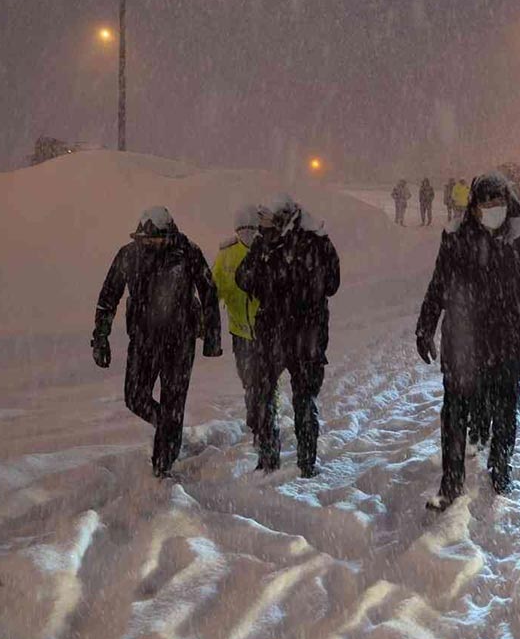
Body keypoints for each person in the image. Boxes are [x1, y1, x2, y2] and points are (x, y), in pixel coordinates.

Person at [416, 172, 520, 511]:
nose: (492, 209)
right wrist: (425, 326)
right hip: (462, 340)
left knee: (505, 411)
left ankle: (500, 470)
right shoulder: (455, 237)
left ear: (508, 205)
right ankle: (450, 483)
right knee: (454, 413)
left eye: (498, 203)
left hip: (507, 341)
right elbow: (439, 285)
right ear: (474, 207)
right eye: (485, 203)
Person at [91, 206, 222, 478]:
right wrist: (100, 338)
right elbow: (108, 298)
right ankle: (169, 427)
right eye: (147, 239)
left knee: (174, 400)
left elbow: (209, 293)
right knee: (135, 397)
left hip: (180, 342)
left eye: (157, 239)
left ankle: (163, 468)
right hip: (143, 341)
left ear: (169, 233)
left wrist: (212, 337)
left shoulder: (188, 252)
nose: (152, 244)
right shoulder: (128, 255)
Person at [235, 195, 340, 477]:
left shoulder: (269, 244)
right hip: (306, 335)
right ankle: (306, 463)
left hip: (276, 332)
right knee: (303, 398)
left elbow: (243, 279)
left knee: (264, 393)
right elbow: (332, 284)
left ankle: (270, 457)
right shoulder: (317, 242)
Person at [214, 204, 272, 450]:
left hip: (266, 330)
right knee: (249, 379)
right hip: (239, 331)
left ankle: (264, 428)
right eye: (242, 229)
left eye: (251, 229)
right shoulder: (227, 254)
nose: (247, 234)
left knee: (264, 382)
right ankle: (255, 415)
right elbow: (215, 287)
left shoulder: (269, 251)